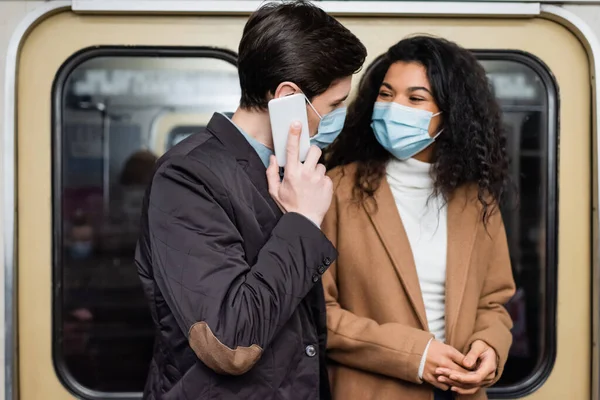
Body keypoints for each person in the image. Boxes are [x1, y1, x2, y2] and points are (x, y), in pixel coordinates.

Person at [135, 1, 366, 399]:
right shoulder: (187, 176)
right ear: (289, 97)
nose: (338, 117)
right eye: (334, 105)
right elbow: (230, 343)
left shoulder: (288, 173)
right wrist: (304, 222)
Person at [321, 36, 516, 400]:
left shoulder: (476, 200)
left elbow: (493, 303)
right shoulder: (335, 190)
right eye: (385, 94)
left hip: (460, 391)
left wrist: (489, 346)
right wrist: (416, 354)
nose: (395, 108)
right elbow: (318, 313)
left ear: (448, 113)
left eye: (415, 98)